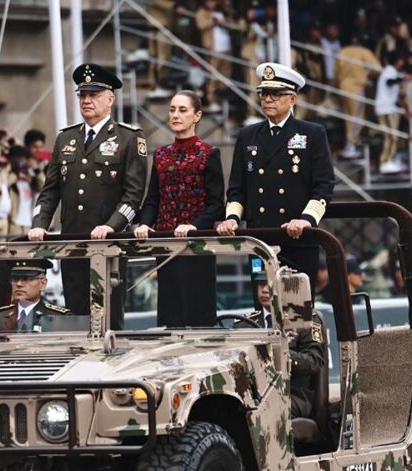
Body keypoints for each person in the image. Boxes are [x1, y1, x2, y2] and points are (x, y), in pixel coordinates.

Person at [29, 63, 148, 328]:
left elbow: (133, 195)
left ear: (110, 99)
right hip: (73, 243)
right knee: (76, 316)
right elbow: (49, 192)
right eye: (82, 95)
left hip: (109, 245)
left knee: (109, 318)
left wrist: (112, 226)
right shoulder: (66, 138)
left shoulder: (128, 138)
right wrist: (39, 225)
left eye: (93, 95)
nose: (86, 100)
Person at [217, 62, 335, 286]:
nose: (268, 99)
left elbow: (324, 185)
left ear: (292, 99)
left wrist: (306, 219)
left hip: (298, 237)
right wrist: (232, 218)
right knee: (262, 301)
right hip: (260, 238)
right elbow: (236, 189)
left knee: (298, 303)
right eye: (264, 94)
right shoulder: (248, 135)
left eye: (276, 94)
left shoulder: (312, 133)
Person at [134, 90, 224, 327]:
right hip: (166, 243)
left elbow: (216, 205)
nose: (175, 115)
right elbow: (153, 198)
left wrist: (194, 226)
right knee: (170, 313)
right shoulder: (161, 154)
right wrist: (145, 223)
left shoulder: (209, 153)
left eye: (182, 110)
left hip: (197, 244)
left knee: (198, 312)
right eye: (172, 110)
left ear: (197, 115)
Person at [240, 270, 325, 419]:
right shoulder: (244, 324)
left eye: (271, 285)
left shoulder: (306, 321)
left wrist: (280, 353)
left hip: (291, 393)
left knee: (267, 412)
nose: (265, 290)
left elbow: (314, 362)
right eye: (261, 284)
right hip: (250, 393)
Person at [0, 260, 70, 333]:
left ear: (43, 284)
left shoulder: (60, 318)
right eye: (15, 279)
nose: (19, 284)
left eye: (27, 279)